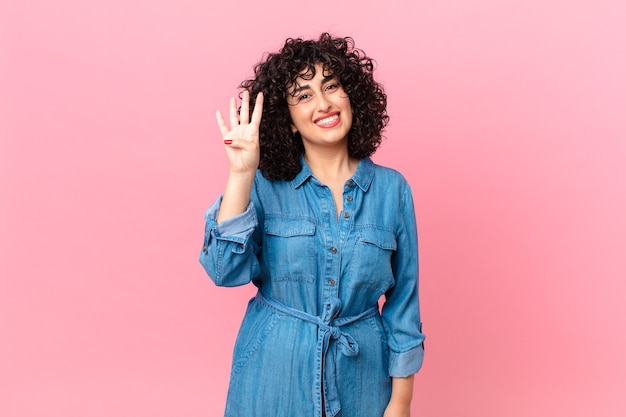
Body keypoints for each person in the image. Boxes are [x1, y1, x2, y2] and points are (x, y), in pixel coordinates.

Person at [200, 33, 425, 417]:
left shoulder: (392, 190)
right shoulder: (263, 186)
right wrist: (241, 173)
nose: (323, 103)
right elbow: (223, 270)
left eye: (331, 86)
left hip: (364, 383)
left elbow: (404, 304)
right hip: (273, 375)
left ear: (351, 95)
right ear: (287, 121)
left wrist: (400, 403)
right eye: (303, 95)